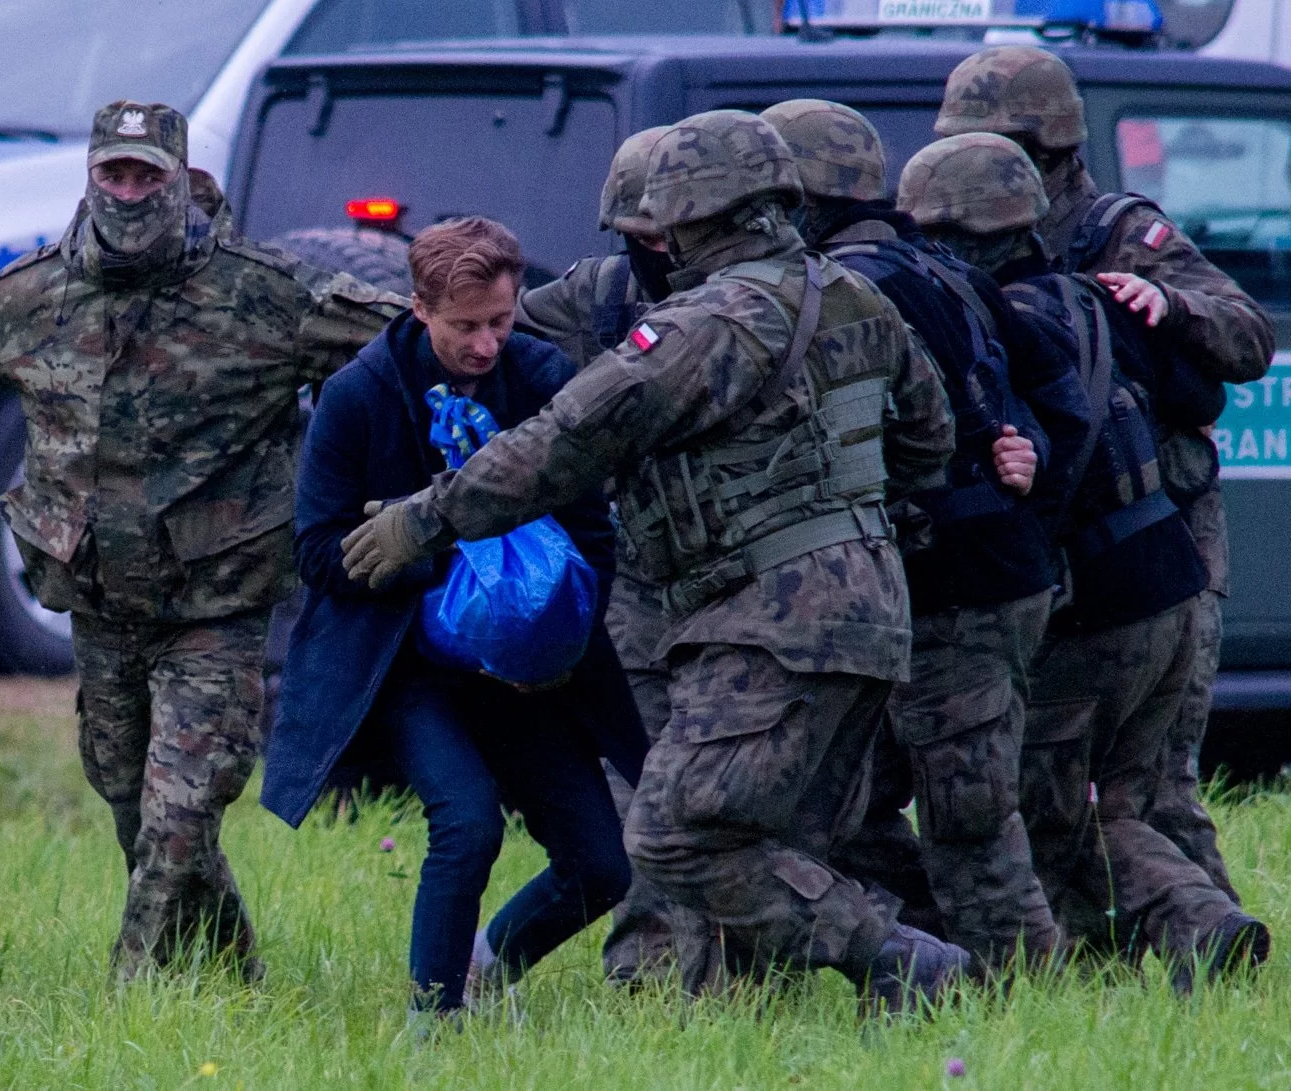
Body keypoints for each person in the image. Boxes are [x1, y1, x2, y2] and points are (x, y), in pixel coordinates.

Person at [343, 110, 965, 1011]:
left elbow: (566, 440)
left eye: (666, 222)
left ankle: (903, 959)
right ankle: (771, 1006)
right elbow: (928, 440)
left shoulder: (709, 320)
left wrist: (428, 519)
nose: (657, 241)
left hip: (768, 616)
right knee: (775, 833)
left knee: (675, 835)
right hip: (870, 609)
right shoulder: (854, 295)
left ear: (705, 215)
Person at [0, 100, 404, 980]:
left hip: (218, 606)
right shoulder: (35, 296)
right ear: (91, 176)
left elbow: (416, 342)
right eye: (115, 172)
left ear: (180, 180)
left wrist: (536, 369)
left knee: (179, 810)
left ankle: (129, 993)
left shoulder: (264, 293)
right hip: (101, 602)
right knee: (130, 804)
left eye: (148, 175)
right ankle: (237, 978)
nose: (130, 191)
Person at [900, 131, 1269, 990]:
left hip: (1099, 597)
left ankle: (1198, 920)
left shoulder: (1000, 322)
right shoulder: (1098, 297)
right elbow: (1199, 393)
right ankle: (1188, 936)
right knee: (1133, 787)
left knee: (1049, 798)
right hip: (1171, 579)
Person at [264, 217, 648, 1021]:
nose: (485, 345)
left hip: (529, 662)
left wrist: (551, 632)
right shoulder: (358, 395)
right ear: (418, 308)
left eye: (500, 322)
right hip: (407, 658)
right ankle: (432, 1026)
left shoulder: (542, 377)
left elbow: (592, 533)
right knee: (467, 822)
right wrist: (446, 571)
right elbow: (316, 551)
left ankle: (486, 964)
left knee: (601, 863)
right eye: (464, 326)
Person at [767, 98, 1089, 973]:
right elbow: (1060, 400)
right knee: (850, 804)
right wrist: (1027, 475)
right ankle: (932, 958)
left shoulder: (848, 289)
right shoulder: (939, 270)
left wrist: (1007, 481)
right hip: (955, 578)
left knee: (968, 814)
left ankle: (1023, 991)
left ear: (796, 200)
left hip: (956, 584)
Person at [516, 126, 688, 985]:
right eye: (639, 237)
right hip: (645, 577)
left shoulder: (772, 296)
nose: (655, 252)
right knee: (638, 776)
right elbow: (490, 326)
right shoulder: (600, 295)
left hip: (757, 583)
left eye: (669, 233)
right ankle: (652, 971)